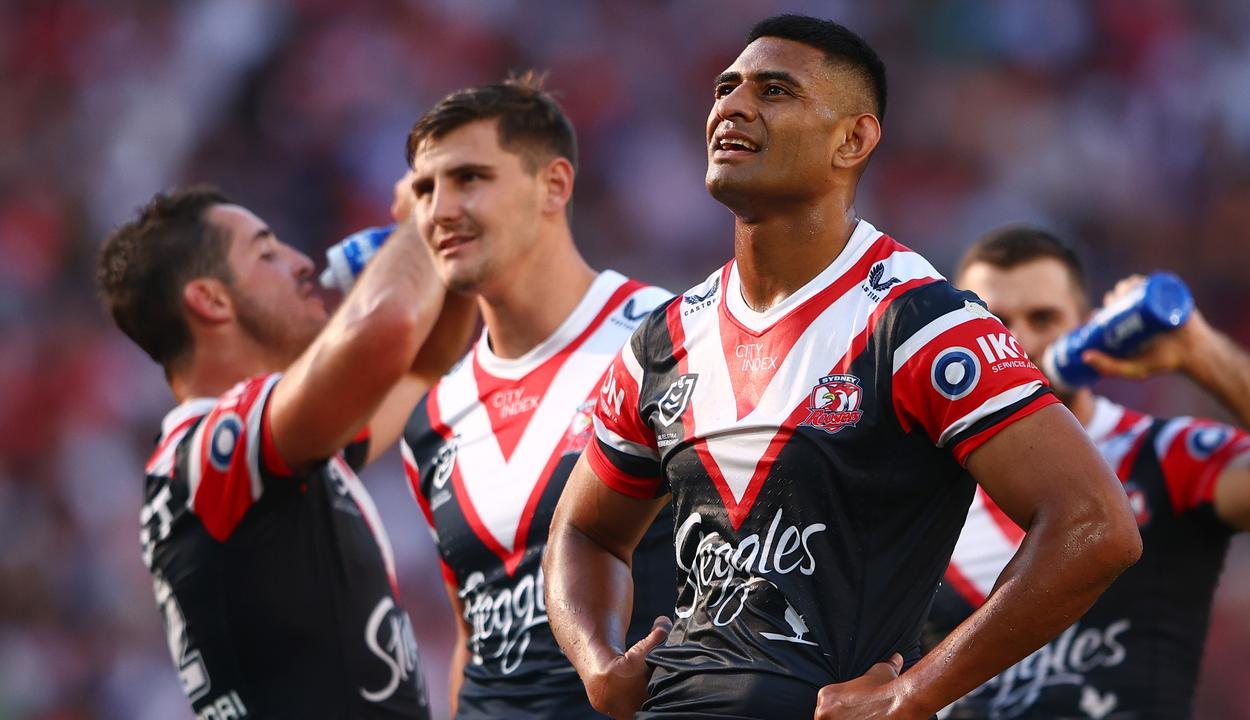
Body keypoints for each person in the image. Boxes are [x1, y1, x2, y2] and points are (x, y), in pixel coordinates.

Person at [542, 14, 1143, 720]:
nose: (732, 106)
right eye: (725, 87)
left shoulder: (918, 324)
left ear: (852, 140)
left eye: (774, 91)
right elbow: (582, 531)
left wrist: (916, 692)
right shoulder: (664, 339)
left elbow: (1096, 525)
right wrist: (598, 664)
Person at [96, 184, 473, 718]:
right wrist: (434, 206)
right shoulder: (205, 456)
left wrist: (459, 248)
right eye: (267, 253)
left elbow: (422, 365)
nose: (301, 262)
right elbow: (388, 329)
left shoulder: (272, 460)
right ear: (210, 299)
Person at [397, 75, 676, 719]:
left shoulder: (668, 337)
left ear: (555, 184)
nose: (438, 210)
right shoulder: (432, 418)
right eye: (423, 189)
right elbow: (473, 636)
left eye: (469, 178)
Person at [926, 227, 1250, 720]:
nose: (1019, 340)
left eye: (1044, 318)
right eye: (994, 321)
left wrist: (1204, 354)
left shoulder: (1163, 455)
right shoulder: (918, 489)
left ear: (1089, 327)